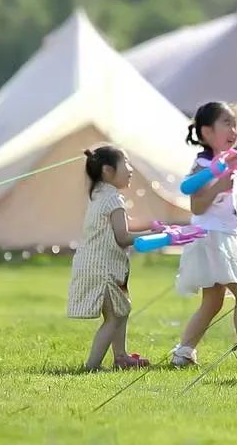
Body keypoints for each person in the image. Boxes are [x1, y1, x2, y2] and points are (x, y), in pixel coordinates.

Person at [171, 102, 237, 367]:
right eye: (226, 123)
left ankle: (183, 352)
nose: (233, 130)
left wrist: (235, 166)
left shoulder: (222, 162)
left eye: (234, 123)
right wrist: (220, 184)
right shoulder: (203, 165)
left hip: (226, 235)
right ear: (206, 133)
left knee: (213, 302)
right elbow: (197, 205)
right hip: (212, 237)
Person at [68, 145, 164, 370]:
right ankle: (91, 365)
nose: (130, 169)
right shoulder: (113, 200)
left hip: (93, 265)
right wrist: (155, 236)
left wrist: (151, 226)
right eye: (126, 164)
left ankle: (121, 357)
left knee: (120, 311)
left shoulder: (100, 195)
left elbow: (122, 226)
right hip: (104, 270)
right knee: (114, 317)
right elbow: (123, 236)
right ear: (108, 171)